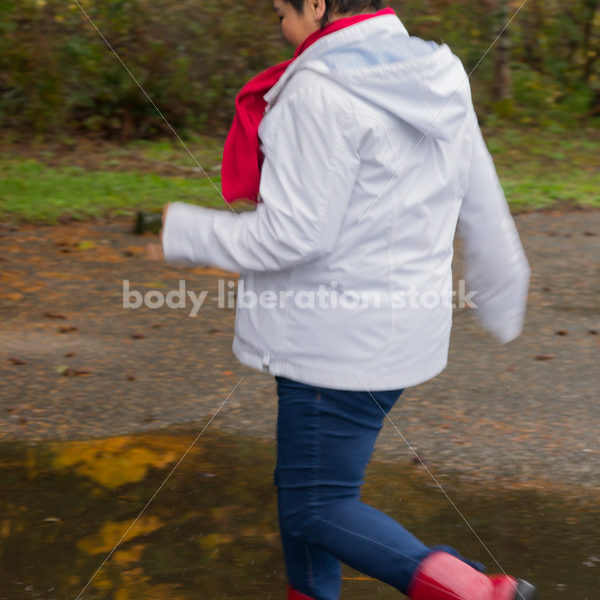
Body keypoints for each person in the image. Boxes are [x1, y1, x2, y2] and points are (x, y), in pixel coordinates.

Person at [148, 1, 537, 599]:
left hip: (332, 344)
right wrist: (502, 292)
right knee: (305, 489)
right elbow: (481, 200)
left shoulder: (319, 93)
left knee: (316, 507)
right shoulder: (434, 72)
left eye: (284, 11)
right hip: (394, 332)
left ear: (318, 5)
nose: (280, 24)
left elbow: (292, 235)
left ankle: (474, 593)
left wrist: (180, 232)